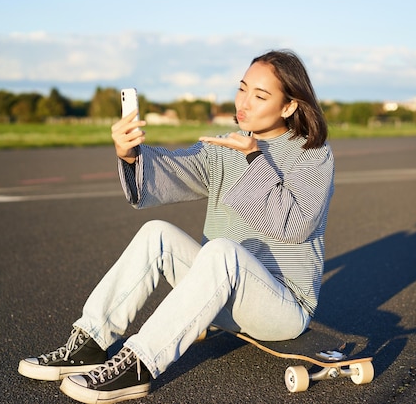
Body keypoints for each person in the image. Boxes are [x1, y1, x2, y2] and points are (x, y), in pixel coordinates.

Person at [18, 49, 335, 403]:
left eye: (260, 96)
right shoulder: (225, 147)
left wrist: (253, 158)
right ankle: (90, 343)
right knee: (157, 232)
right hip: (223, 296)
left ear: (289, 106)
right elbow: (174, 169)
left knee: (221, 251)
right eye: (242, 88)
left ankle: (138, 365)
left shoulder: (313, 153)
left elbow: (294, 224)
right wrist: (130, 154)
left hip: (282, 307)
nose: (244, 101)